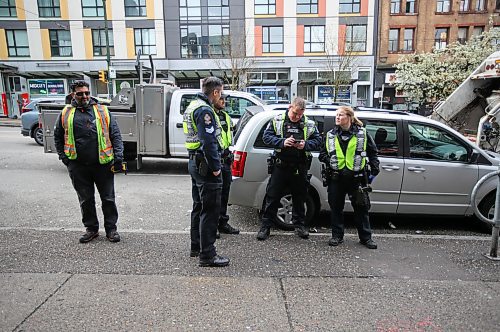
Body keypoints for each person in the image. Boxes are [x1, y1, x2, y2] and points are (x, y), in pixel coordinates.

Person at [54, 81, 124, 243]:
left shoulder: (102, 110)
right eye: (80, 93)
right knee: (85, 200)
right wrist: (64, 159)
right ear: (73, 95)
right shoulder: (66, 113)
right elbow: (58, 137)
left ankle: (111, 230)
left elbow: (115, 135)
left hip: (103, 164)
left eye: (86, 93)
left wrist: (118, 158)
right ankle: (91, 229)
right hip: (78, 166)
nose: (84, 96)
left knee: (108, 199)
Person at [256, 97, 322, 241]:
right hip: (280, 165)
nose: (297, 117)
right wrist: (282, 142)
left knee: (300, 197)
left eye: (300, 114)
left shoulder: (309, 123)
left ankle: (299, 226)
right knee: (272, 197)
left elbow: (318, 141)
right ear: (290, 107)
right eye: (295, 113)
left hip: (300, 166)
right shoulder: (278, 120)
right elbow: (266, 138)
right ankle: (266, 227)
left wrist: (305, 145)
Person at [183, 77, 230, 267]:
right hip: (206, 165)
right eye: (221, 92)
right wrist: (217, 167)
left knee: (198, 207)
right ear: (216, 92)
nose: (221, 96)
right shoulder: (204, 110)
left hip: (195, 162)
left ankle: (196, 246)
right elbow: (208, 141)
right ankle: (207, 255)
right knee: (210, 211)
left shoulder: (192, 105)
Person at [319, 106, 380, 249]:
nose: (337, 117)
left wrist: (374, 169)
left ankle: (366, 238)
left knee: (361, 209)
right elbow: (322, 153)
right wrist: (330, 160)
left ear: (350, 118)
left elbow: (373, 153)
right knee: (336, 208)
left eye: (341, 115)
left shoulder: (363, 134)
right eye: (337, 115)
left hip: (356, 178)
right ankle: (337, 236)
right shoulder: (330, 135)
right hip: (336, 178)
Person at [213, 94, 240, 236]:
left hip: (226, 160)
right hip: (216, 161)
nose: (224, 101)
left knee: (224, 195)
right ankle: (212, 226)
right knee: (214, 196)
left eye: (225, 99)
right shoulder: (210, 115)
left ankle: (222, 223)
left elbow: (230, 136)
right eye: (221, 99)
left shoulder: (225, 116)